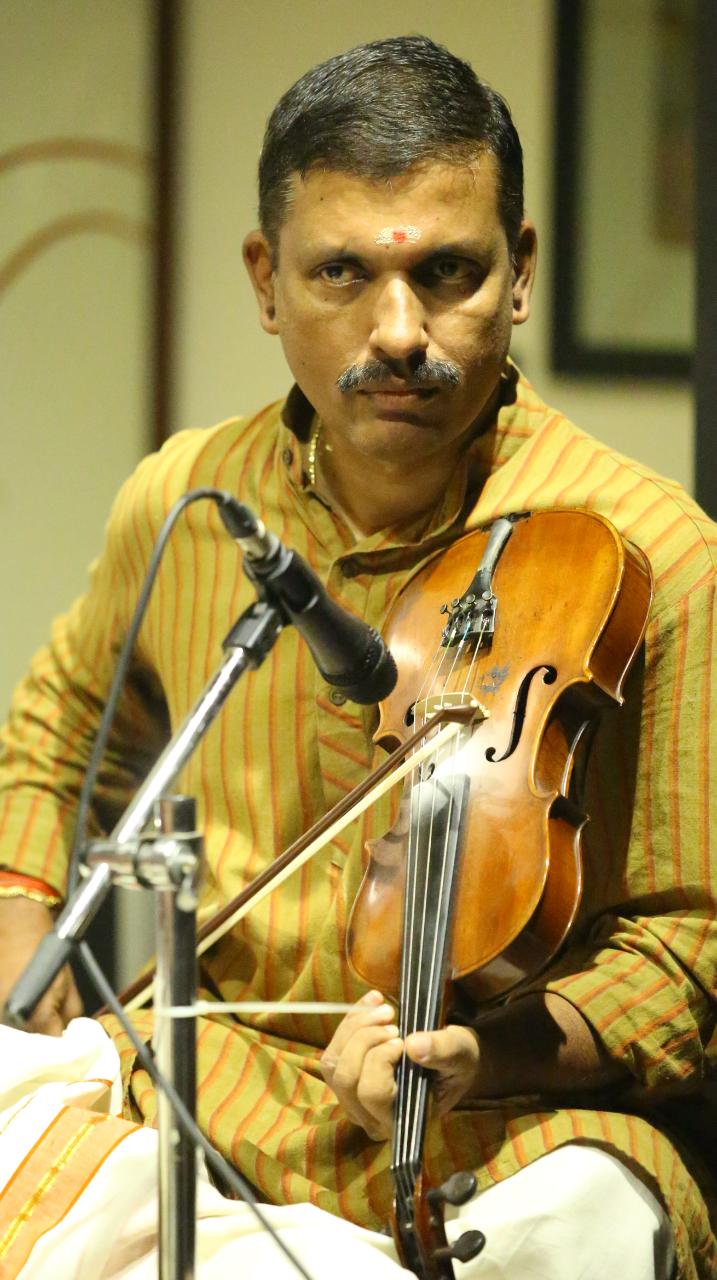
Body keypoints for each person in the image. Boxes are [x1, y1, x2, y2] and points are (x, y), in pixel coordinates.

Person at [0, 33, 715, 1280]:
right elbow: (62, 724)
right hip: (211, 1093)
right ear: (267, 280)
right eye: (342, 272)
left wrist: (483, 1053)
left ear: (521, 272)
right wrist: (18, 905)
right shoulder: (189, 502)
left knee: (590, 1226)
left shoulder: (662, 554)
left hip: (509, 1123)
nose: (398, 330)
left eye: (447, 272)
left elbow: (691, 946)